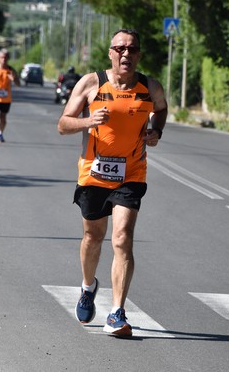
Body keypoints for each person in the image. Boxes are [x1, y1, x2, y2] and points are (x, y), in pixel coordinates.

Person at [57, 28, 167, 337]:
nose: (126, 54)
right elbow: (63, 124)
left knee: (121, 238)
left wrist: (156, 132)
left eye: (132, 49)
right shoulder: (92, 83)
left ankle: (117, 312)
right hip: (93, 174)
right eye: (120, 49)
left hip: (131, 174)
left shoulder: (150, 87)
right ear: (110, 53)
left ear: (139, 55)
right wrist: (87, 121)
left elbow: (161, 109)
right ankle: (87, 286)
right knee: (93, 237)